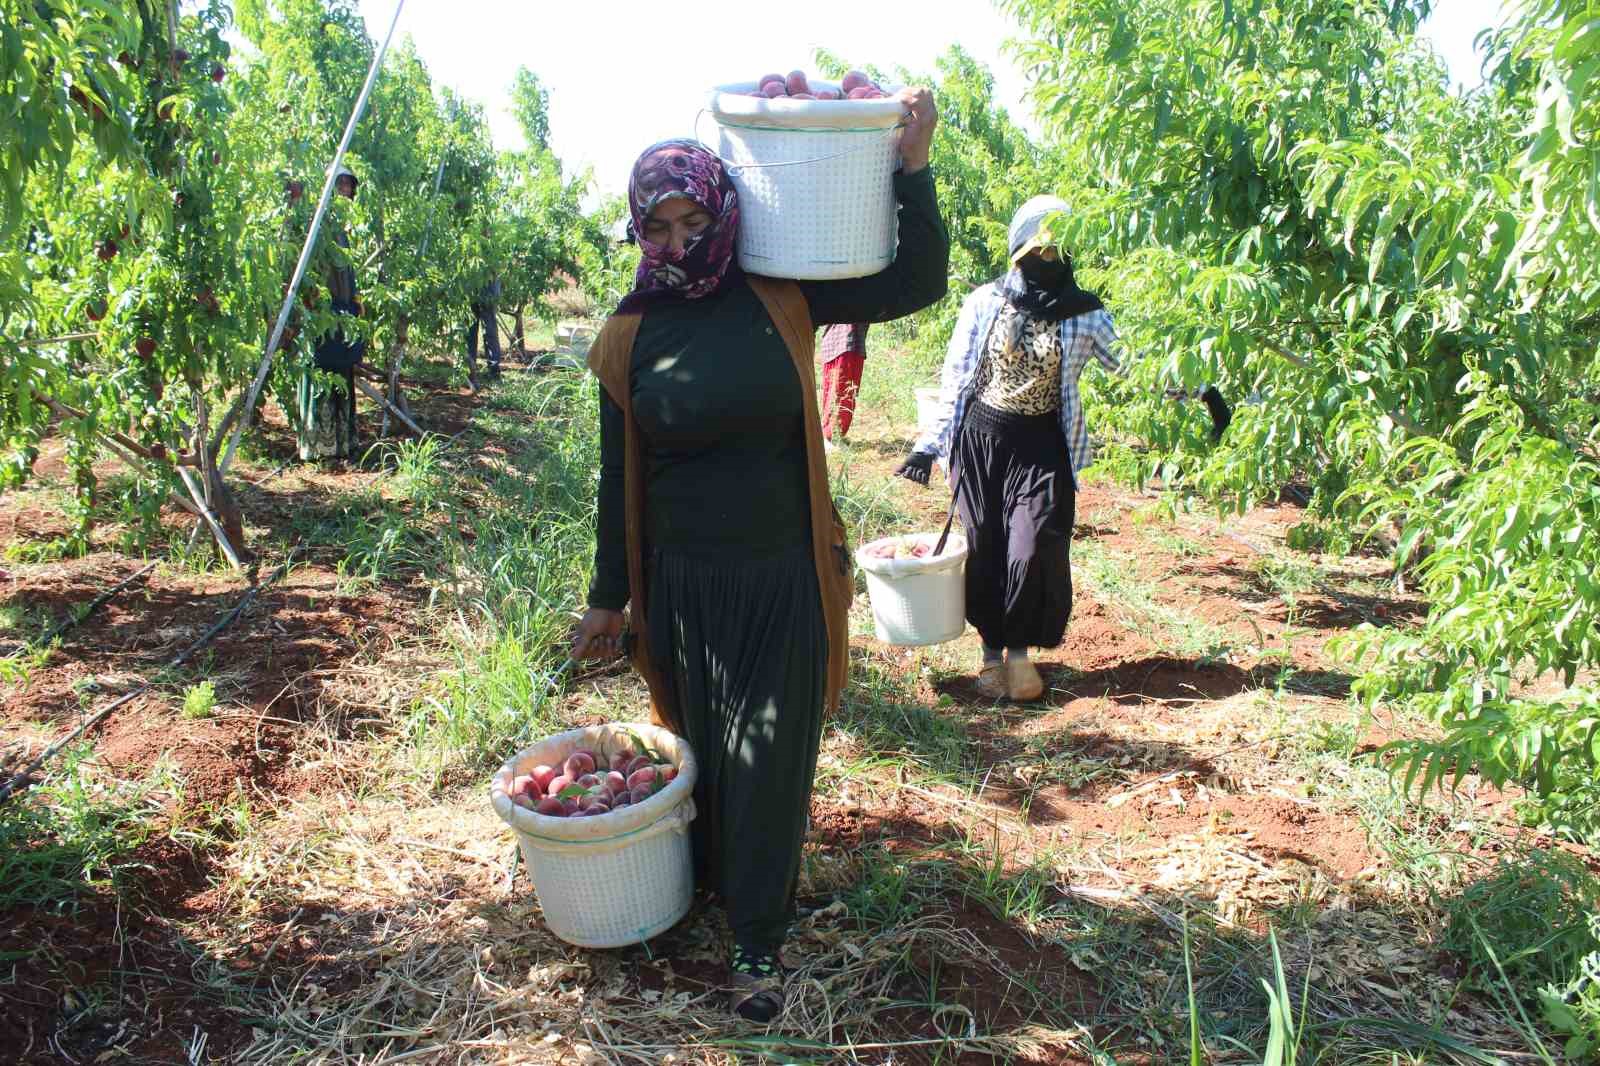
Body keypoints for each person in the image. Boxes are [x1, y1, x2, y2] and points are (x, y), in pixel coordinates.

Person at [571, 88, 946, 1023]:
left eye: (695, 218)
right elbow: (621, 478)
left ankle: (757, 939)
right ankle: (700, 889)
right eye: (657, 226)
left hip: (781, 572)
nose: (679, 240)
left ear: (726, 209)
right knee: (705, 750)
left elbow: (916, 282)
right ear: (636, 229)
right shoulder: (629, 336)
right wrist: (609, 599)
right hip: (685, 585)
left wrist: (914, 169)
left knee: (771, 754)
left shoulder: (781, 291)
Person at [897, 195, 1120, 702]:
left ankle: (1019, 653)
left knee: (1033, 543)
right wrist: (928, 446)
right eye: (1038, 250)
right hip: (980, 440)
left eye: (1057, 251)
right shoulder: (987, 302)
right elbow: (956, 378)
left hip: (1041, 443)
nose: (1048, 260)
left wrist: (1202, 392)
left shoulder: (1085, 313)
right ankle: (992, 655)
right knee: (984, 546)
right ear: (1019, 251)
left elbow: (1136, 366)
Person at [297, 165, 365, 461]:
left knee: (341, 370)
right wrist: (316, 304)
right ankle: (318, 446)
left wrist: (356, 300)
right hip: (323, 314)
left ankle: (340, 442)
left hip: (342, 313)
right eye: (342, 186)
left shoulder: (340, 231)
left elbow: (346, 272)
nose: (346, 192)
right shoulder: (320, 227)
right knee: (322, 371)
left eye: (349, 187)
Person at [818, 322, 870, 444]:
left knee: (845, 391)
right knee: (841, 391)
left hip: (848, 342)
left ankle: (832, 435)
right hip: (843, 341)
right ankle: (828, 436)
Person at [467, 275, 503, 387]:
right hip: (469, 277)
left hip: (489, 278)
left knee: (489, 327)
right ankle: (470, 368)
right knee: (470, 326)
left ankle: (494, 369)